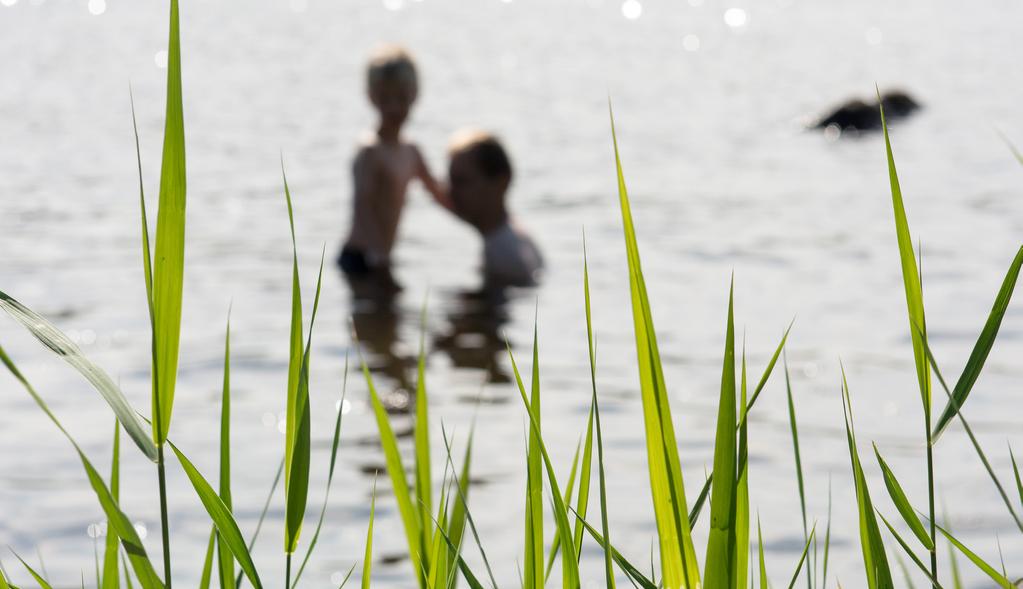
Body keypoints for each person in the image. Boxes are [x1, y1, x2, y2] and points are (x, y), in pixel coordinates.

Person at [339, 45, 447, 286]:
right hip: (360, 256)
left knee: (391, 320)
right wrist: (379, 254)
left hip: (384, 256)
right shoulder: (370, 151)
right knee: (371, 318)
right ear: (371, 96)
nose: (394, 107)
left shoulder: (412, 152)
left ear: (415, 95)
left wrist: (483, 219)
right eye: (385, 98)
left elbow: (439, 193)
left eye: (401, 97)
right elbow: (363, 205)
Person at [447, 129, 543, 287]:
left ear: (501, 181)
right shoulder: (513, 235)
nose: (451, 192)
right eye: (450, 181)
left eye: (462, 182)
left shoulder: (502, 253)